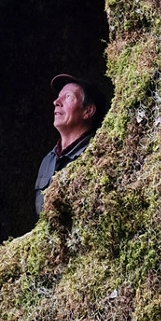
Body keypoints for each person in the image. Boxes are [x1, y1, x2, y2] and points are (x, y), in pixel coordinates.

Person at [35, 75, 104, 216]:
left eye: (68, 97)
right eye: (58, 97)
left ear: (88, 111)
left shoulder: (98, 155)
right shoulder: (48, 161)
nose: (56, 102)